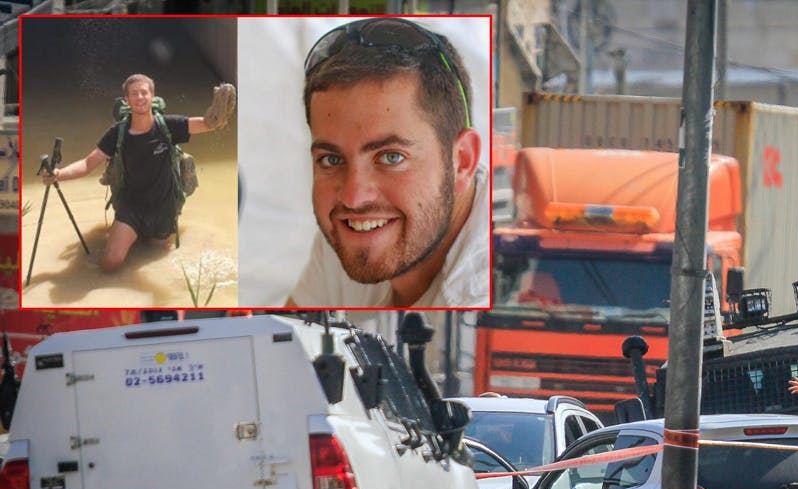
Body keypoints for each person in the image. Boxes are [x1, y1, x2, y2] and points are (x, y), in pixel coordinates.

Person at [286, 17, 489, 308]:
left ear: (463, 161)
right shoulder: (351, 231)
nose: (354, 198)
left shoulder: (478, 298)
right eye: (331, 160)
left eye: (391, 157)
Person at [41, 74, 236, 272]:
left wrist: (218, 113)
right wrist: (58, 174)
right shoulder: (117, 133)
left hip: (164, 209)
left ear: (152, 96)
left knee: (156, 256)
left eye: (144, 92)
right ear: (127, 100)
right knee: (111, 263)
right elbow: (87, 164)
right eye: (134, 93)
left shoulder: (169, 126)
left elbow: (207, 124)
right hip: (131, 208)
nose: (140, 97)